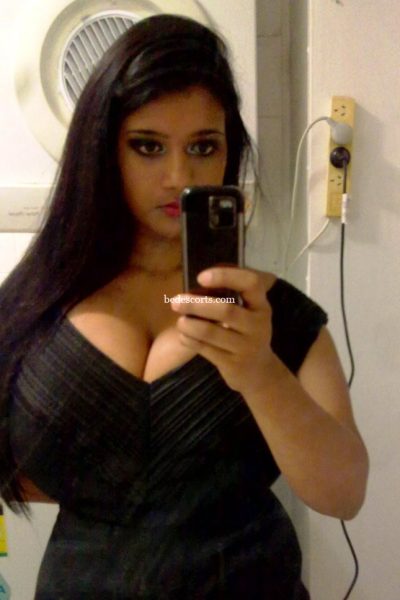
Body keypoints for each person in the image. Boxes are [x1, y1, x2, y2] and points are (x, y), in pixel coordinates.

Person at [0, 14, 368, 599]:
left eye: (203, 146)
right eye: (148, 146)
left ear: (228, 152)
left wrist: (259, 372)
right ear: (102, 149)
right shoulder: (39, 300)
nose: (179, 176)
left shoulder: (279, 315)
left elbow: (344, 493)